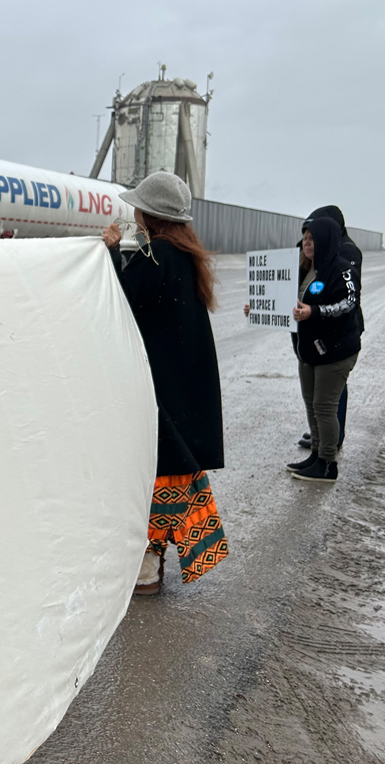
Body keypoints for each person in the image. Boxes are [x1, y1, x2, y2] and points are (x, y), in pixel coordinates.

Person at [102, 171, 228, 596]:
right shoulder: (184, 255)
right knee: (167, 476)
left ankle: (146, 572)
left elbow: (119, 299)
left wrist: (112, 253)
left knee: (152, 479)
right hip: (182, 388)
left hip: (161, 391)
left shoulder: (158, 256)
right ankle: (151, 565)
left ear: (149, 214)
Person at [286, 216, 362, 482]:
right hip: (308, 351)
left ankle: (328, 464)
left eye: (312, 238)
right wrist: (259, 309)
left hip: (336, 350)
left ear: (326, 240)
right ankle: (316, 454)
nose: (307, 243)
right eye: (305, 238)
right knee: (311, 405)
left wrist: (314, 312)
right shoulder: (305, 269)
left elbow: (348, 304)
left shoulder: (342, 270)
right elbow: (287, 301)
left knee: (324, 406)